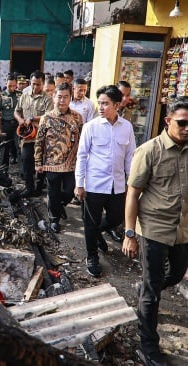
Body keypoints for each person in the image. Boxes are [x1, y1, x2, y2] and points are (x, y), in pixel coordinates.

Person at [122, 97, 188, 366]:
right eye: (183, 123)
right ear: (168, 121)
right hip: (153, 229)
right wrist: (129, 234)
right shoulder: (150, 151)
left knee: (175, 273)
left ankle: (146, 286)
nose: (187, 129)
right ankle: (147, 346)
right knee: (152, 293)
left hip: (182, 230)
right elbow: (133, 194)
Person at [74, 85, 136, 277]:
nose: (100, 107)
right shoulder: (91, 127)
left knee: (116, 219)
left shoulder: (126, 127)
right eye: (99, 103)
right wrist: (80, 183)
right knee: (91, 223)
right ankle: (92, 257)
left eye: (105, 103)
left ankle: (95, 233)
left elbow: (130, 157)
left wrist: (130, 183)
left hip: (117, 185)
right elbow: (82, 155)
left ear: (117, 105)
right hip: (94, 185)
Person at [34, 82, 83, 232]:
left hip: (71, 163)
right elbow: (39, 141)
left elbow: (82, 140)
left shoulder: (77, 117)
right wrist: (38, 162)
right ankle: (54, 219)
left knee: (69, 191)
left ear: (70, 98)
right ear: (53, 97)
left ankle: (59, 205)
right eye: (59, 97)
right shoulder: (46, 118)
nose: (62, 100)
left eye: (65, 97)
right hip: (51, 163)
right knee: (53, 192)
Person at [15, 71, 53, 197]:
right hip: (27, 137)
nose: (35, 87)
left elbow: (49, 116)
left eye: (38, 84)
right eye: (33, 84)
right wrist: (20, 120)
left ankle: (39, 187)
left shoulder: (47, 98)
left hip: (42, 137)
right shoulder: (24, 96)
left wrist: (33, 118)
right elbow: (17, 111)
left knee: (40, 163)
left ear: (43, 83)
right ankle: (29, 187)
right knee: (26, 160)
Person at [0, 74, 22, 172]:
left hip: (17, 125)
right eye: (10, 85)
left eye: (14, 85)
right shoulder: (0, 96)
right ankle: (4, 170)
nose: (12, 88)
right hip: (5, 124)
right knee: (5, 148)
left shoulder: (20, 94)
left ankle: (22, 172)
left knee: (19, 147)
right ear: (6, 83)